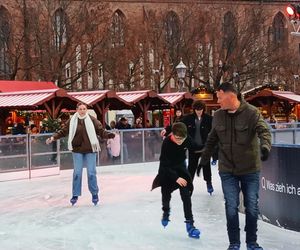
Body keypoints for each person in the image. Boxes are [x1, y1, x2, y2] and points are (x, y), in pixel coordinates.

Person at [198, 82, 271, 250]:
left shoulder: (252, 113)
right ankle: (234, 243)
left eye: (219, 96)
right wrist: (204, 159)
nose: (218, 101)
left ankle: (251, 242)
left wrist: (265, 147)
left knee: (251, 205)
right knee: (231, 205)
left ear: (230, 95)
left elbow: (264, 131)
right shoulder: (218, 116)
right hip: (227, 169)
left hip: (250, 168)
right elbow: (211, 139)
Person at [46, 102, 115, 206]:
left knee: (91, 173)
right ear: (77, 110)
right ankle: (75, 194)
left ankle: (94, 194)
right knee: (77, 173)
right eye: (80, 109)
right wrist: (53, 137)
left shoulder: (92, 120)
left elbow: (100, 131)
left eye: (84, 109)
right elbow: (63, 131)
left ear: (86, 110)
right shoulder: (72, 120)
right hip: (77, 150)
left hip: (90, 149)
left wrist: (109, 135)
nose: (82, 111)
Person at [151, 122, 200, 239]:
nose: (180, 141)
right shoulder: (167, 142)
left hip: (181, 170)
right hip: (167, 170)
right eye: (177, 138)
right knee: (166, 193)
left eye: (182, 139)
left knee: (186, 194)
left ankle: (190, 225)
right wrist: (175, 178)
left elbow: (197, 147)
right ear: (172, 134)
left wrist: (212, 144)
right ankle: (166, 212)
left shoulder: (186, 139)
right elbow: (164, 165)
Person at [181, 100, 214, 194]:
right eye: (197, 109)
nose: (199, 111)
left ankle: (209, 182)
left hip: (205, 147)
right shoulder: (188, 118)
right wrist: (167, 130)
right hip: (193, 148)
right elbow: (179, 125)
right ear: (194, 109)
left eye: (200, 109)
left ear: (203, 109)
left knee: (206, 166)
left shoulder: (209, 119)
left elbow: (216, 130)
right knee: (191, 167)